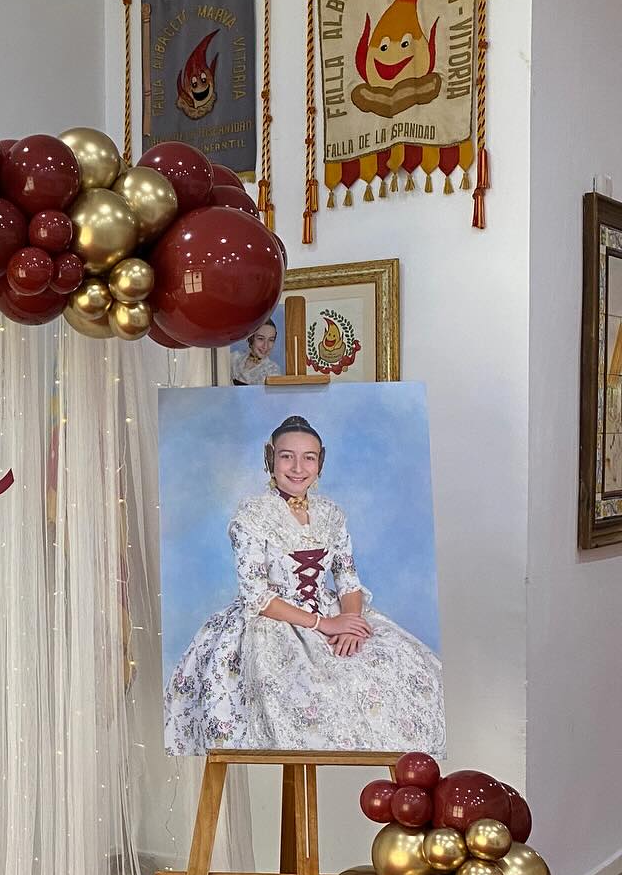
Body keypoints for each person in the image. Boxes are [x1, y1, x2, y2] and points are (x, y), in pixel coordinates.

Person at [164, 414, 445, 754]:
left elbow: (348, 580)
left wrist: (350, 624)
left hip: (333, 615)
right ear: (271, 459)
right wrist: (324, 624)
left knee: (403, 670)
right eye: (287, 456)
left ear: (319, 463)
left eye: (308, 458)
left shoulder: (331, 514)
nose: (298, 468)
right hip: (272, 620)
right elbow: (256, 596)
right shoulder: (251, 516)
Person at [230, 321, 280, 385]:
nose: (265, 346)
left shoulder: (273, 371)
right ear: (251, 338)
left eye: (271, 340)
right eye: (261, 339)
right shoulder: (234, 358)